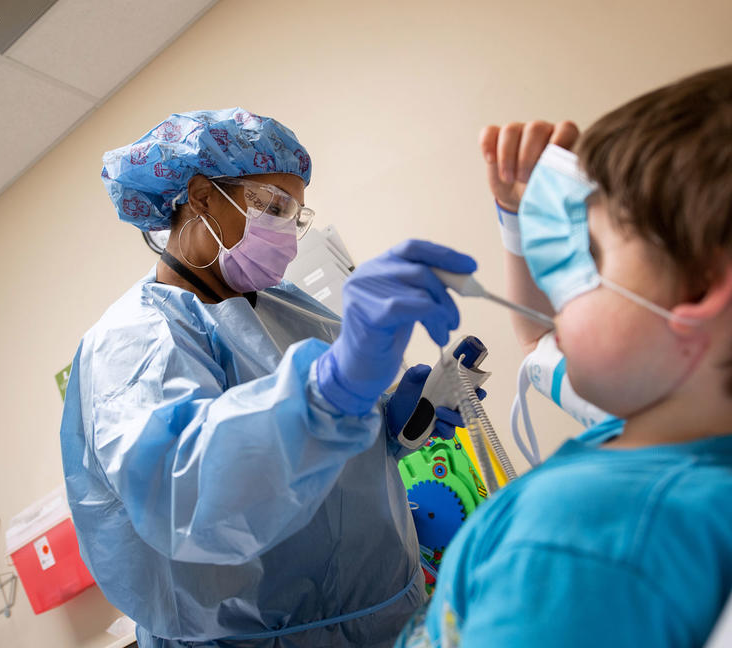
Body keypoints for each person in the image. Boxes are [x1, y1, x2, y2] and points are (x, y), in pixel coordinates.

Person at [394, 53, 732, 647]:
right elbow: (538, 342)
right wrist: (518, 220)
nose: (564, 285)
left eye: (593, 255)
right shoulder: (709, 442)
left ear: (701, 291)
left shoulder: (583, 543)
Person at [59, 108, 480, 647]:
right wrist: (327, 397)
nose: (286, 233)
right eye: (273, 206)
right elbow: (191, 494)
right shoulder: (134, 341)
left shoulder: (290, 310)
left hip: (386, 618)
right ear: (202, 194)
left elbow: (313, 472)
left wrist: (386, 430)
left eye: (295, 216)